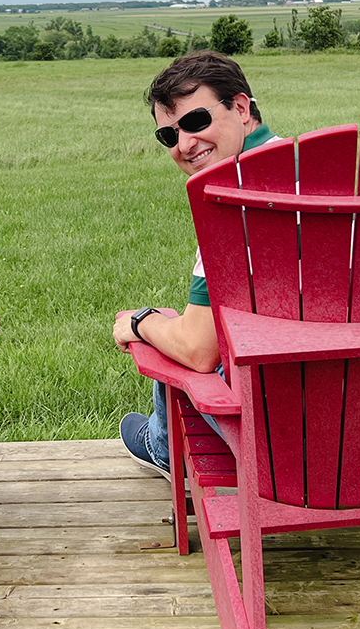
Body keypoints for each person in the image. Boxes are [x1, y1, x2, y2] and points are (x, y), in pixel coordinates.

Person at [112, 52, 278, 479]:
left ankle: (162, 446)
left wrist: (140, 322)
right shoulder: (325, 173)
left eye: (196, 120)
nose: (185, 144)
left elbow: (199, 352)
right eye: (169, 134)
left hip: (284, 440)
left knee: (172, 331)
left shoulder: (230, 203)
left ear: (241, 108)